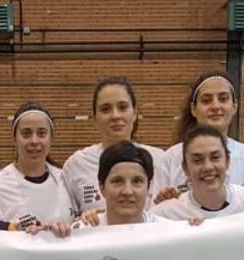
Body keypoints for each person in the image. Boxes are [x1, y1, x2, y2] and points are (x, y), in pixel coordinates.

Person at [62, 77, 167, 215]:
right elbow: (66, 219)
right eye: (106, 109)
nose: (115, 116)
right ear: (95, 118)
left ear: (135, 113)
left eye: (122, 107)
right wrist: (83, 220)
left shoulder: (160, 160)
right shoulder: (77, 164)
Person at [156, 71, 244, 200]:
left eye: (223, 99)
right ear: (193, 109)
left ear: (234, 106)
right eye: (206, 100)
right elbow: (155, 209)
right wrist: (163, 200)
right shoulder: (171, 158)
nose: (216, 106)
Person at [0, 102, 74, 229]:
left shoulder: (66, 180)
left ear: (51, 138)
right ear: (14, 138)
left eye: (41, 133)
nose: (34, 141)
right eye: (26, 133)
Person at [152, 124, 244, 220]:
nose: (208, 167)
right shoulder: (165, 214)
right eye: (197, 160)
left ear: (227, 162)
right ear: (185, 168)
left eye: (215, 157)